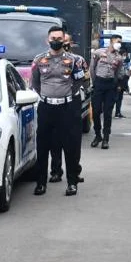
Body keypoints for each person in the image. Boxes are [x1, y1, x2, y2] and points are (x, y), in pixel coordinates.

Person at [30, 26, 84, 196]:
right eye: (53, 38)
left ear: (64, 40)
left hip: (66, 107)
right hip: (46, 107)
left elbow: (79, 81)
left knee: (70, 146)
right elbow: (35, 84)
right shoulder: (39, 60)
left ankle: (72, 182)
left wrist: (67, 95)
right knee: (43, 145)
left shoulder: (75, 60)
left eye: (59, 38)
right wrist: (46, 96)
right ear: (48, 40)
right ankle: (41, 183)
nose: (56, 41)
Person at [50, 34, 87, 184]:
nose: (62, 44)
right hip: (55, 102)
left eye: (65, 41)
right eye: (60, 41)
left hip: (73, 101)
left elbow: (84, 78)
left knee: (73, 140)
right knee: (55, 138)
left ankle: (74, 171)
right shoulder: (49, 59)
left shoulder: (78, 60)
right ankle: (56, 171)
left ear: (70, 43)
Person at [90, 34, 124, 149]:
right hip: (99, 83)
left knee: (108, 113)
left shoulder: (119, 58)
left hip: (110, 86)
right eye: (117, 41)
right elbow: (92, 68)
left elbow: (118, 73)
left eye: (120, 42)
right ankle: (97, 135)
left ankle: (105, 138)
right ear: (111, 41)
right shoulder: (99, 52)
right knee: (96, 111)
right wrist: (95, 83)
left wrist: (116, 85)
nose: (119, 43)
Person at [114, 47, 131, 119]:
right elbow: (117, 74)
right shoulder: (118, 62)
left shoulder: (125, 62)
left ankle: (118, 112)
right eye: (124, 55)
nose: (125, 56)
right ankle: (116, 113)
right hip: (118, 83)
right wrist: (118, 85)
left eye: (125, 55)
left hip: (122, 83)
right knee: (116, 99)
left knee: (119, 99)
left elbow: (126, 73)